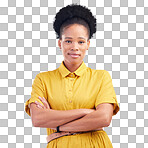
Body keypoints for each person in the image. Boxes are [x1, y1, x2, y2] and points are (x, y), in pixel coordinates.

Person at [25, 3, 120, 148]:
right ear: (60, 43)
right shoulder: (43, 79)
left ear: (87, 44)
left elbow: (104, 118)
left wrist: (58, 127)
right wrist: (86, 112)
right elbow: (38, 118)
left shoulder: (101, 77)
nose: (75, 47)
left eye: (81, 42)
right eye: (68, 41)